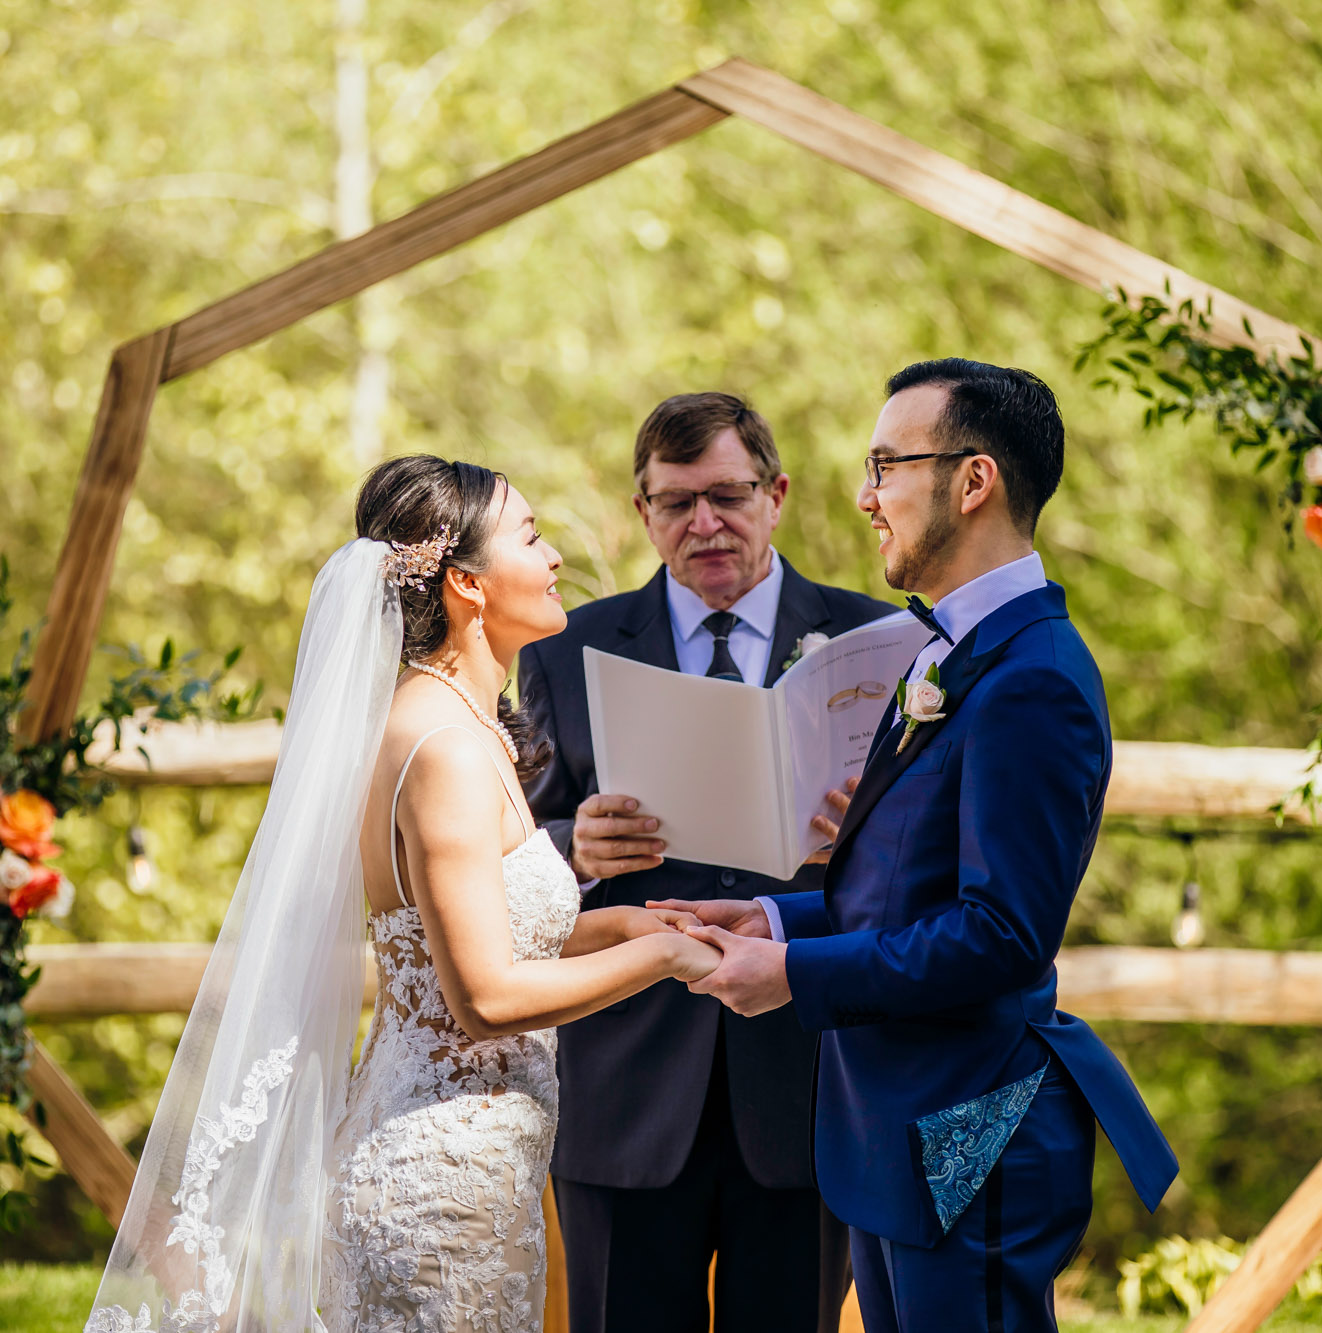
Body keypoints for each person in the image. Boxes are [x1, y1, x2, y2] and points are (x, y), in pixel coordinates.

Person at [84, 456, 723, 1333]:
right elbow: (486, 995)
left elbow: (494, 935)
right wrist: (665, 958)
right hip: (437, 1193)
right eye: (531, 538)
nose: (555, 558)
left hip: (477, 1175)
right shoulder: (444, 751)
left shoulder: (462, 722)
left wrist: (642, 924)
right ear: (468, 583)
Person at [662, 361, 1179, 1333]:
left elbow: (998, 935)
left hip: (969, 1132)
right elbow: (911, 890)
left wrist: (790, 974)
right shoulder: (945, 654)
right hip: (899, 1128)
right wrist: (773, 916)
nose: (864, 498)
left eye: (884, 466)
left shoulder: (1032, 679)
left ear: (971, 481)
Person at [518, 393, 890, 1333]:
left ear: (778, 494)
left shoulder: (875, 642)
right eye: (676, 502)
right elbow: (506, 843)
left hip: (808, 1077)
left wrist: (869, 837)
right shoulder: (569, 649)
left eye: (727, 493)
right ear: (643, 513)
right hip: (625, 1081)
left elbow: (928, 853)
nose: (705, 523)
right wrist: (575, 849)